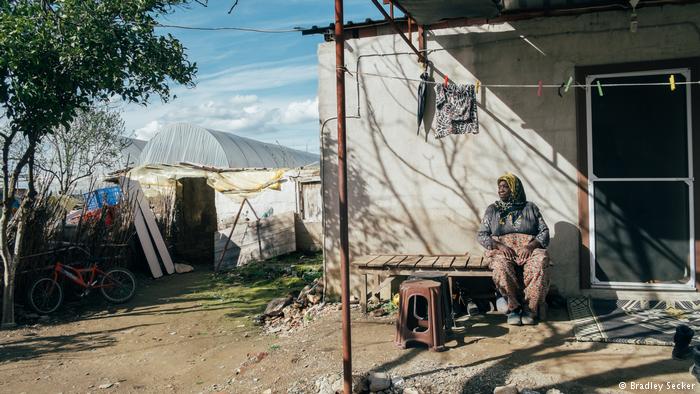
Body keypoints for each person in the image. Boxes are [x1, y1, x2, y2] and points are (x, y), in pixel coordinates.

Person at [477, 173, 550, 325]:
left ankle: (530, 308)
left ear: (515, 189)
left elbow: (544, 232)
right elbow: (482, 235)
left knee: (540, 262)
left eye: (505, 187)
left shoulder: (530, 208)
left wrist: (530, 246)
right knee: (500, 266)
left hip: (528, 249)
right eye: (499, 187)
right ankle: (514, 308)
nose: (500, 190)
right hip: (502, 250)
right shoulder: (493, 210)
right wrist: (499, 245)